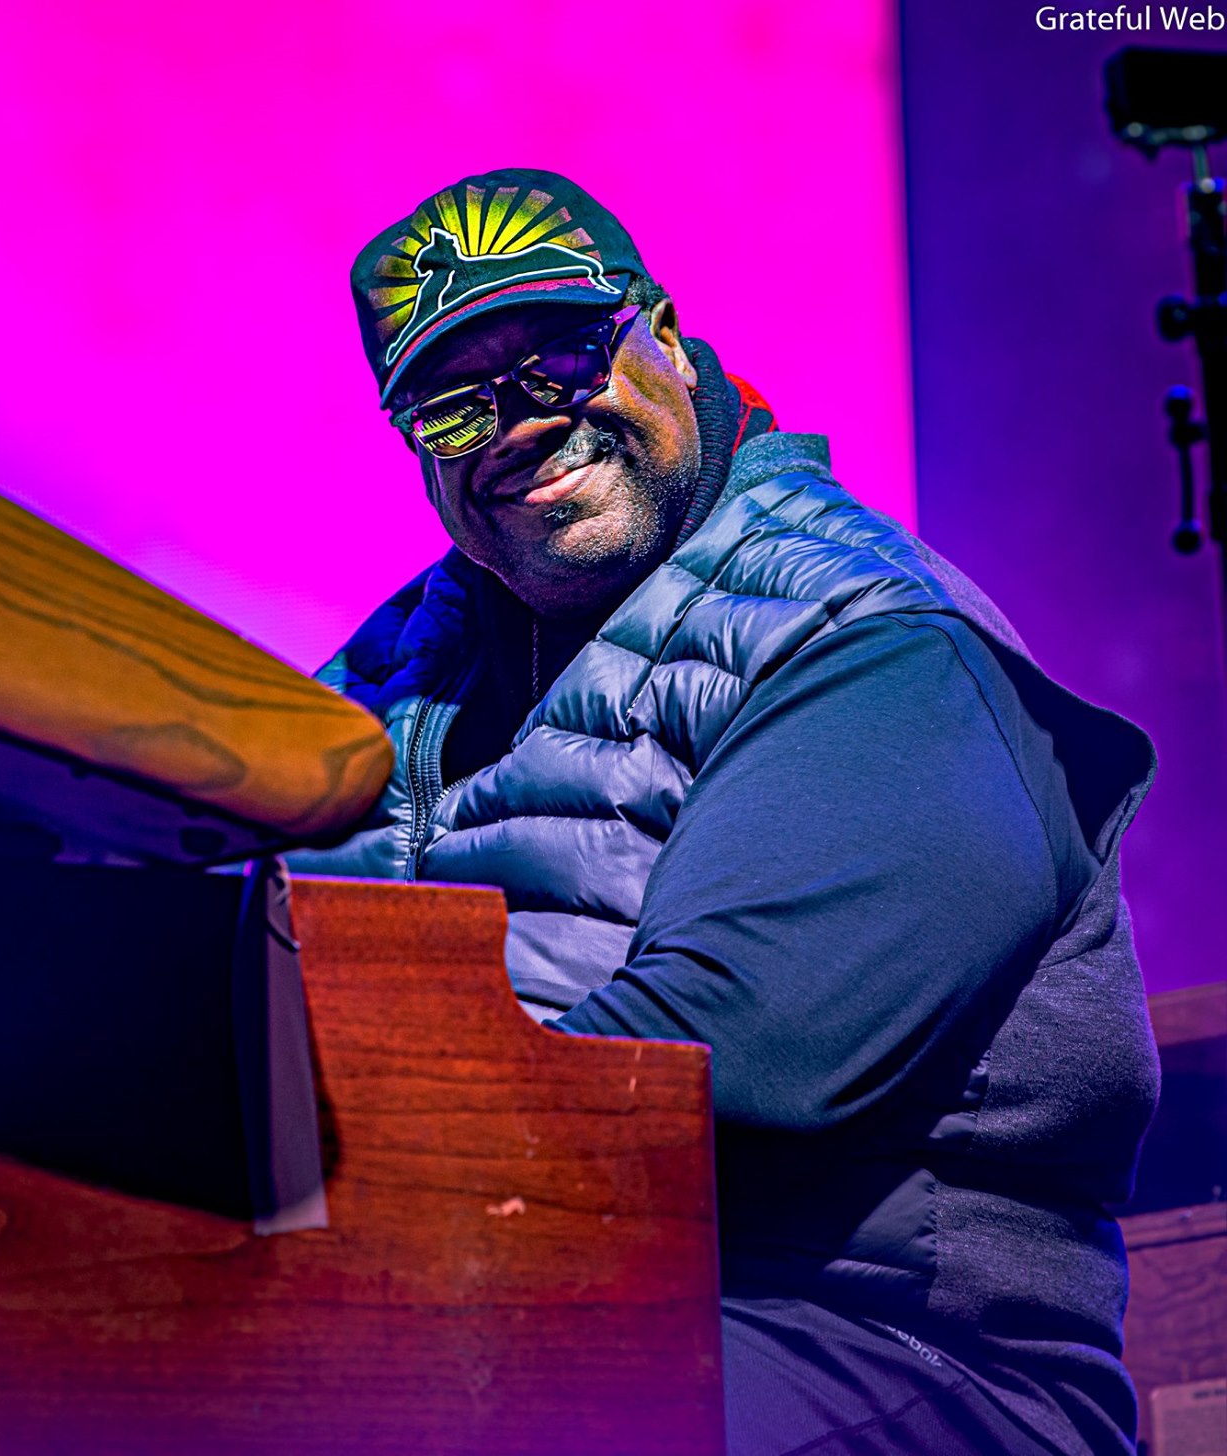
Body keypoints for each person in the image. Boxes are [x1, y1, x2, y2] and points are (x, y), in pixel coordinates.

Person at [289, 168, 1161, 1456]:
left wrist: (314, 1193)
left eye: (562, 359)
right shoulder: (390, 676)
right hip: (513, 1302)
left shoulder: (875, 642)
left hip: (886, 1352)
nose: (517, 426)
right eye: (453, 403)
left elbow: (702, 1073)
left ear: (666, 336)